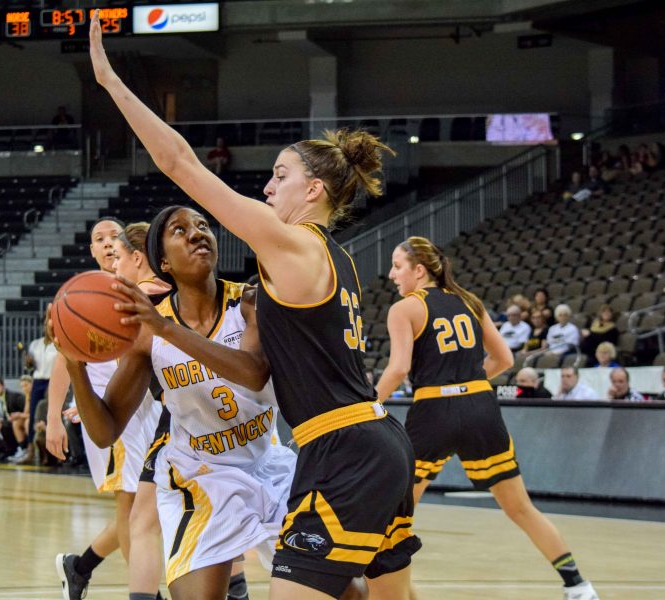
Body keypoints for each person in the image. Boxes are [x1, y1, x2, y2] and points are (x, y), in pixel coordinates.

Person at [89, 14, 420, 599]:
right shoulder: (335, 258)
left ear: (313, 190)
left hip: (341, 447)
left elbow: (179, 165)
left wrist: (113, 85)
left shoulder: (290, 242)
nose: (267, 189)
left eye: (279, 175)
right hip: (381, 440)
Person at [51, 206, 296, 600]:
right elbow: (104, 430)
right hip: (201, 476)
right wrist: (75, 367)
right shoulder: (147, 334)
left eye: (202, 226)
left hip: (267, 464)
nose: (197, 233)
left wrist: (166, 327)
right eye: (180, 230)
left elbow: (254, 374)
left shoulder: (250, 302)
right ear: (162, 261)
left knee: (347, 589)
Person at [374, 236, 599, 600]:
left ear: (419, 270)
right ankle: (578, 586)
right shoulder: (469, 301)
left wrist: (370, 405)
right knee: (521, 508)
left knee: (393, 515)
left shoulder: (405, 309)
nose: (391, 274)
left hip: (433, 411)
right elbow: (506, 361)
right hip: (481, 406)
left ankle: (398, 594)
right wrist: (469, 381)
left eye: (397, 266)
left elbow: (398, 369)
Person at [46, 217, 161, 600]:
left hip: (148, 408)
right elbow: (63, 362)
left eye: (115, 236)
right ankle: (146, 593)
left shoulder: (138, 288)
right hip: (112, 419)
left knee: (148, 505)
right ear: (92, 251)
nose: (109, 243)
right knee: (133, 506)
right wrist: (54, 421)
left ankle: (78, 567)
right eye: (100, 239)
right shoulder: (82, 298)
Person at [25, 331, 58, 459]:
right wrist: (28, 362)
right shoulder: (34, 344)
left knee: (50, 413)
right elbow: (29, 367)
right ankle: (31, 449)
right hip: (38, 380)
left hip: (53, 379)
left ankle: (51, 452)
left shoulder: (58, 343)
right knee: (33, 415)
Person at [0, 374, 28, 461]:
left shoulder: (15, 397)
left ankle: (16, 449)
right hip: (5, 422)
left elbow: (25, 411)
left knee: (4, 424)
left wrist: (17, 415)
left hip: (13, 423)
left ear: (3, 386)